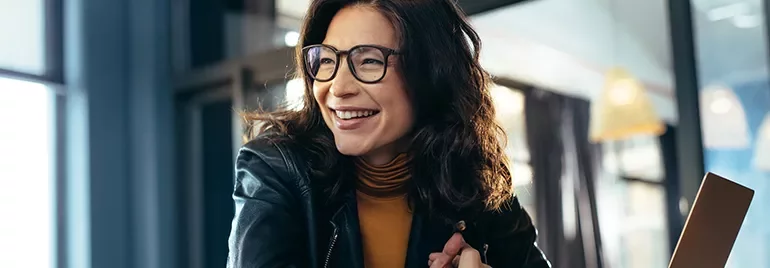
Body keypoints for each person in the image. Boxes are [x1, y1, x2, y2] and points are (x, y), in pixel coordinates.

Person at [227, 0, 550, 267]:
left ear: (431, 73)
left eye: (368, 61)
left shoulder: (474, 181)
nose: (337, 88)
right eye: (327, 60)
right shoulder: (277, 169)